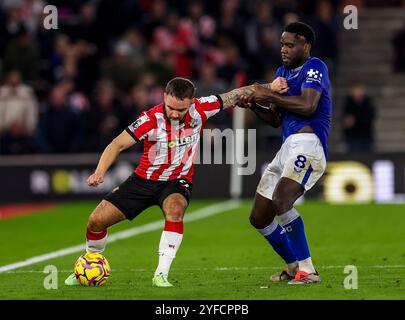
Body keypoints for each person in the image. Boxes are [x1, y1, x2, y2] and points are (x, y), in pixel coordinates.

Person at [64, 76, 288, 287]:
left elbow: (237, 94)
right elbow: (116, 144)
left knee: (175, 209)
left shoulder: (202, 109)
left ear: (191, 102)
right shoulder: (150, 120)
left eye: (180, 110)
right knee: (96, 221)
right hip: (143, 181)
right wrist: (99, 172)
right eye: (170, 108)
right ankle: (89, 266)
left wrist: (271, 86)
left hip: (177, 181)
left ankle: (161, 274)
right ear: (164, 97)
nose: (174, 114)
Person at [238, 22, 331, 285]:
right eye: (282, 44)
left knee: (282, 200)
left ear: (306, 46)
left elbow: (308, 105)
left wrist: (267, 93)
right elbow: (277, 120)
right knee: (259, 216)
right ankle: (292, 266)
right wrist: (256, 104)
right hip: (287, 145)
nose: (284, 50)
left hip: (309, 143)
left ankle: (308, 270)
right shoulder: (282, 73)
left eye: (290, 45)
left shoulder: (315, 67)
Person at [342, 81, 375, 152]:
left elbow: (370, 116)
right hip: (353, 136)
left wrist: (355, 120)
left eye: (360, 90)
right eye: (356, 90)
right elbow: (346, 119)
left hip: (366, 135)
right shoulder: (348, 103)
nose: (358, 92)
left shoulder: (367, 103)